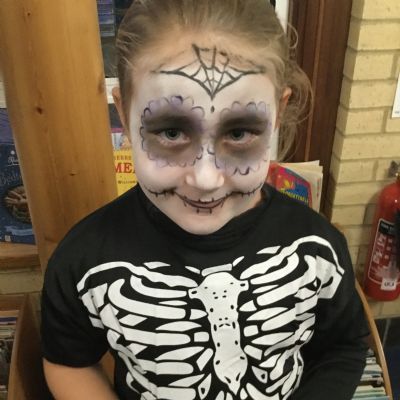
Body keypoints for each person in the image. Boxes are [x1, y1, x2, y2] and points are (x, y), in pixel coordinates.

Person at [41, 1, 369, 399]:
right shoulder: (84, 261)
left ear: (277, 115)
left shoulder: (318, 247)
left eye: (239, 133)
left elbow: (343, 347)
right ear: (124, 114)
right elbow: (69, 361)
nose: (206, 179)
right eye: (172, 133)